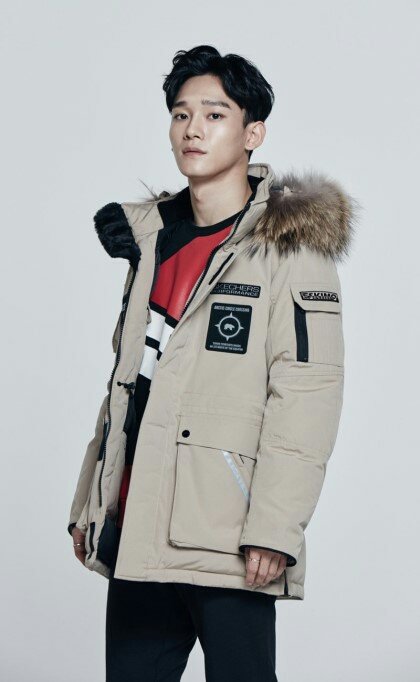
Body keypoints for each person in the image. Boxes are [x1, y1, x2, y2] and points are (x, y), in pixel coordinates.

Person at [67, 44, 358, 681]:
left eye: (215, 114)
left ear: (253, 133)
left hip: (230, 539)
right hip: (139, 526)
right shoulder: (153, 245)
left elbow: (308, 396)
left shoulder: (290, 251)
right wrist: (94, 502)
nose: (192, 129)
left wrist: (275, 528)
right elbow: (127, 386)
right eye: (181, 114)